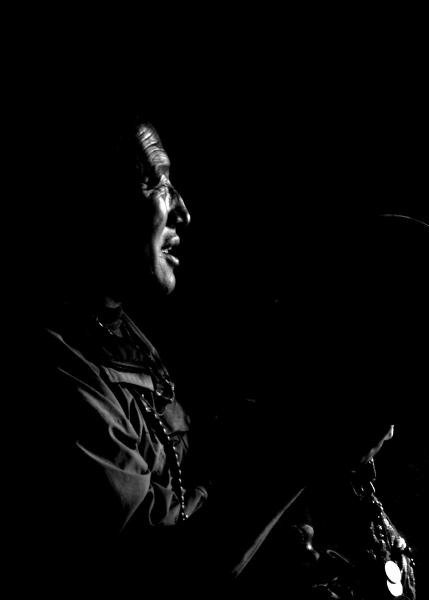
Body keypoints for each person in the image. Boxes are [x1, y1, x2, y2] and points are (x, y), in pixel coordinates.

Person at [7, 105, 397, 598]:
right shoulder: (54, 369)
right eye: (157, 183)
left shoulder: (122, 335)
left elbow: (186, 477)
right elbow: (153, 576)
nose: (183, 212)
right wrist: (304, 455)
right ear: (92, 198)